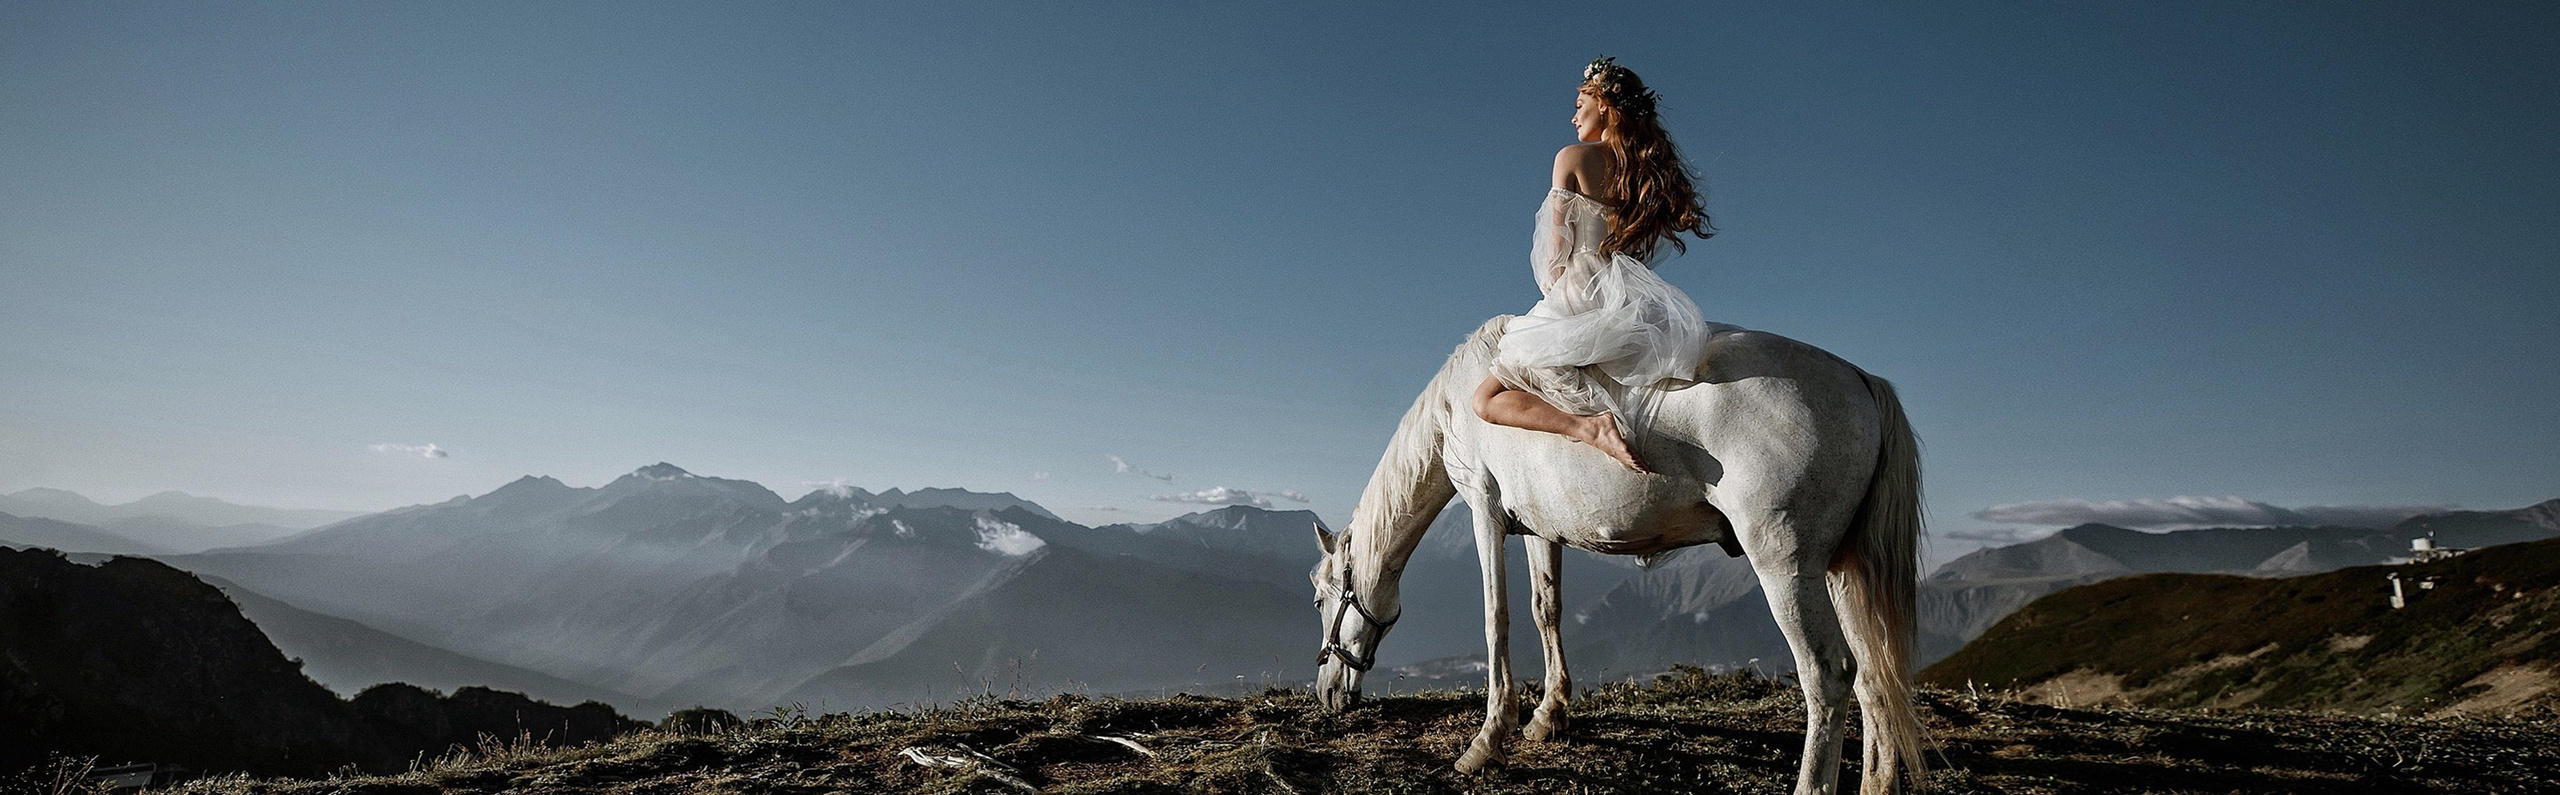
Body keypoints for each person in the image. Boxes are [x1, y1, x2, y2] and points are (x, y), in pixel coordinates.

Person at [1472, 56, 1716, 473]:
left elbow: (1555, 256)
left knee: (1484, 400)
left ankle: (1588, 427)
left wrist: (1553, 308)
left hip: (1580, 289)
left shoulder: (1572, 158)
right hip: (1629, 295)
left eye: (1579, 104)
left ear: (1604, 103)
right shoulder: (1646, 175)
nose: (1573, 117)